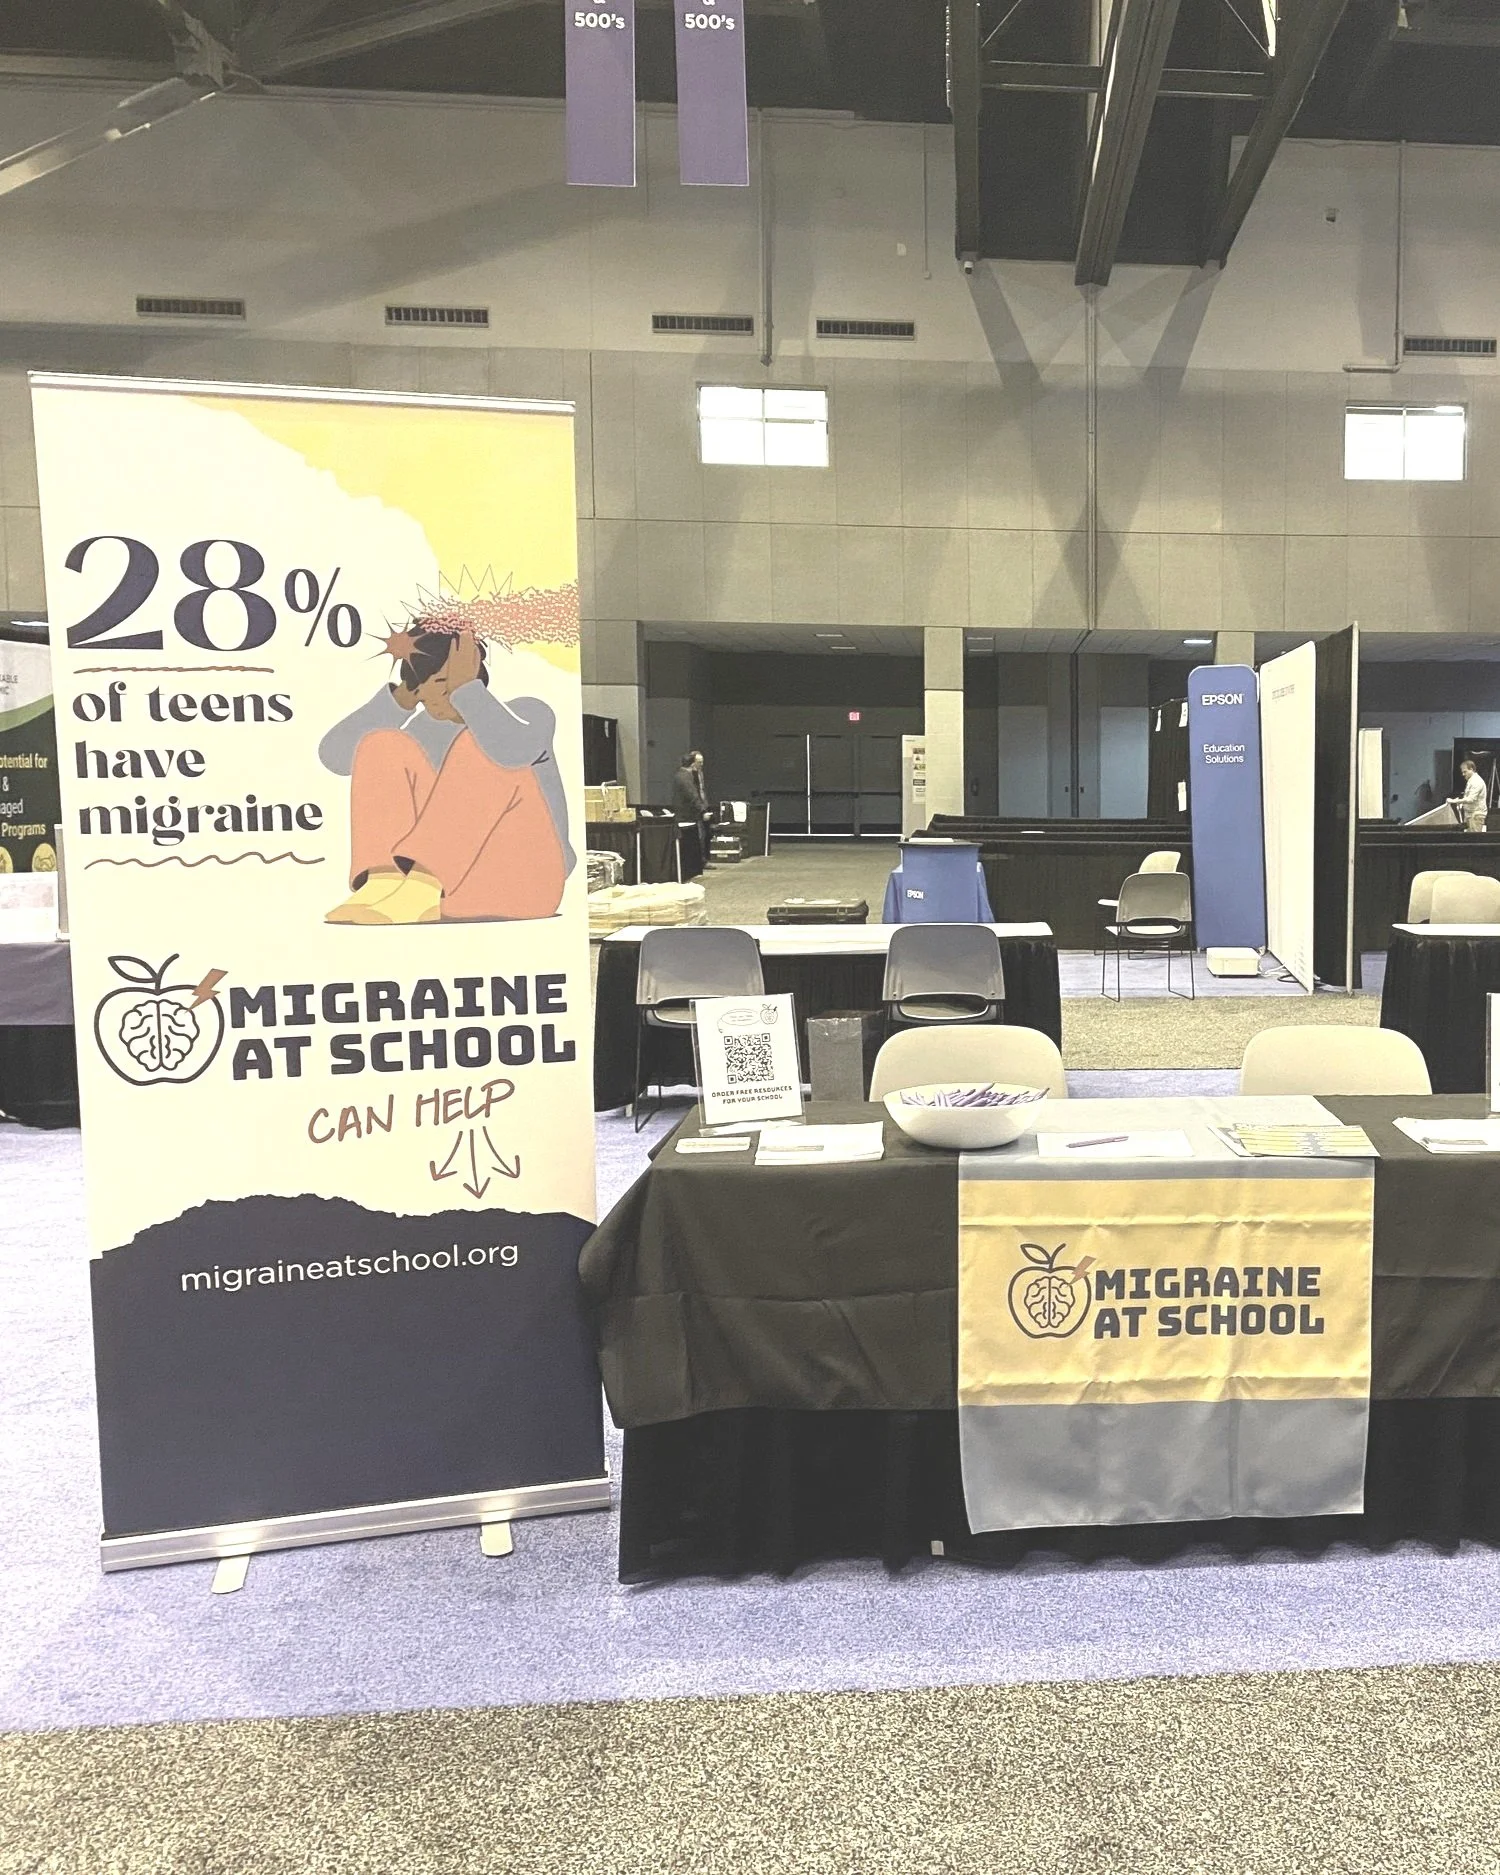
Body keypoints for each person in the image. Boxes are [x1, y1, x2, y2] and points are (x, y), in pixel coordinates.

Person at [318, 626, 575, 924]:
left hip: (524, 883)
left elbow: (513, 751)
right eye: (425, 685)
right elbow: (336, 757)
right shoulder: (421, 731)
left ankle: (423, 885)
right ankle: (384, 881)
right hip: (450, 892)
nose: (435, 694)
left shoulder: (527, 714)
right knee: (382, 743)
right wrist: (400, 699)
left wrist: (466, 689)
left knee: (480, 745)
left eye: (444, 682)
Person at [1448, 758, 1489, 833]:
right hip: (1471, 815)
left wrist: (1455, 801)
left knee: (1473, 838)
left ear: (1471, 769)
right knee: (1469, 837)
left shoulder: (1476, 781)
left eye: (1465, 772)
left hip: (1475, 816)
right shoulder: (1472, 781)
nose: (1463, 774)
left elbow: (1470, 799)